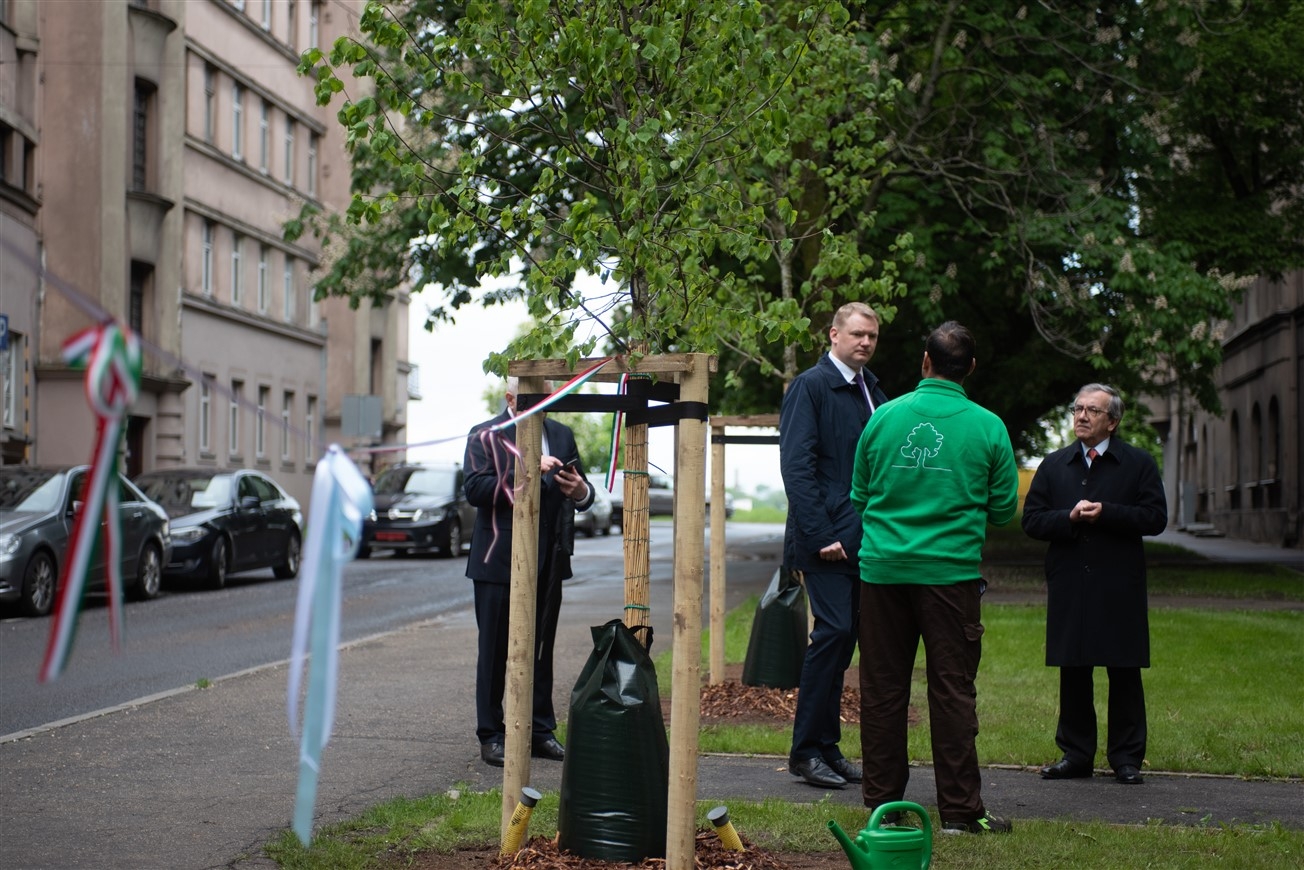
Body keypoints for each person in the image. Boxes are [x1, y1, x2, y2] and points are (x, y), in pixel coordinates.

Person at [850, 320, 1018, 834]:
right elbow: (1004, 510)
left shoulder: (883, 418)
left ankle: (883, 809)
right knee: (951, 692)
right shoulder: (989, 426)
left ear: (925, 361)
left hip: (882, 574)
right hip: (950, 577)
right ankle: (961, 814)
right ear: (970, 368)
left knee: (882, 691)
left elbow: (860, 495)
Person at [1022, 383, 1167, 786]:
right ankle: (1076, 754)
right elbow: (1032, 520)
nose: (1082, 416)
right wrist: (1067, 518)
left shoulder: (1137, 463)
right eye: (1077, 409)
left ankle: (1126, 758)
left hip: (1119, 582)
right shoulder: (1055, 465)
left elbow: (1155, 518)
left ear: (1113, 421)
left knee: (1124, 669)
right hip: (1070, 580)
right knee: (1073, 668)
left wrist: (1108, 513)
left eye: (1092, 410)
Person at [779, 301, 887, 789]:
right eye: (858, 334)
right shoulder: (811, 386)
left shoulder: (872, 390)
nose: (865, 342)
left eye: (872, 336)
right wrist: (822, 535)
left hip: (863, 540)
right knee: (832, 635)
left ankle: (827, 747)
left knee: (843, 645)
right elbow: (796, 468)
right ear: (834, 335)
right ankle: (804, 752)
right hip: (825, 541)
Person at [463, 376, 595, 767]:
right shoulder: (485, 434)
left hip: (549, 560)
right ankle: (491, 735)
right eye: (534, 396)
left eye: (547, 396)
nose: (544, 403)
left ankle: (539, 730)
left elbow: (583, 491)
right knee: (494, 652)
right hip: (497, 560)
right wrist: (528, 471)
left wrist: (580, 490)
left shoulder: (562, 434)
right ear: (510, 397)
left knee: (541, 649)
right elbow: (475, 489)